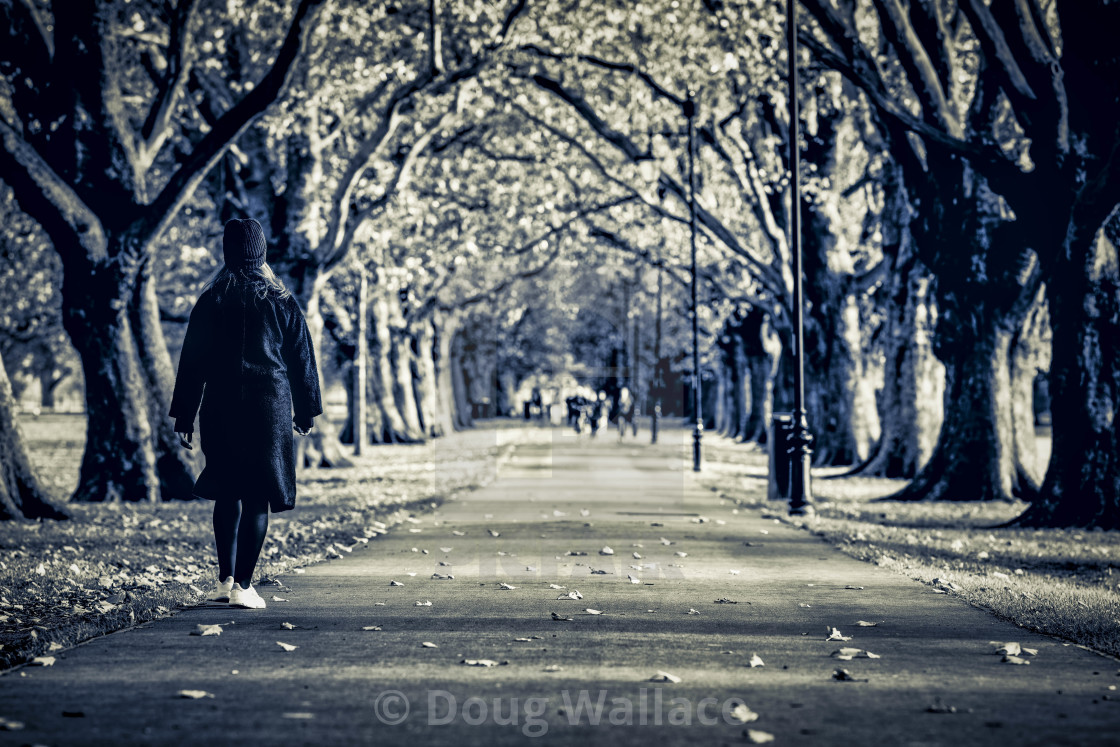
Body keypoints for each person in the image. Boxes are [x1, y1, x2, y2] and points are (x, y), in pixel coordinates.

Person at [170, 219, 323, 610]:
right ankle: (244, 586)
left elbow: (192, 364)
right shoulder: (281, 300)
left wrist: (184, 416)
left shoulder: (211, 300)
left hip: (220, 407)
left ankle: (223, 581)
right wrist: (306, 411)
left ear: (228, 253)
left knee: (226, 492)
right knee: (258, 497)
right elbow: (302, 361)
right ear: (261, 253)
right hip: (267, 408)